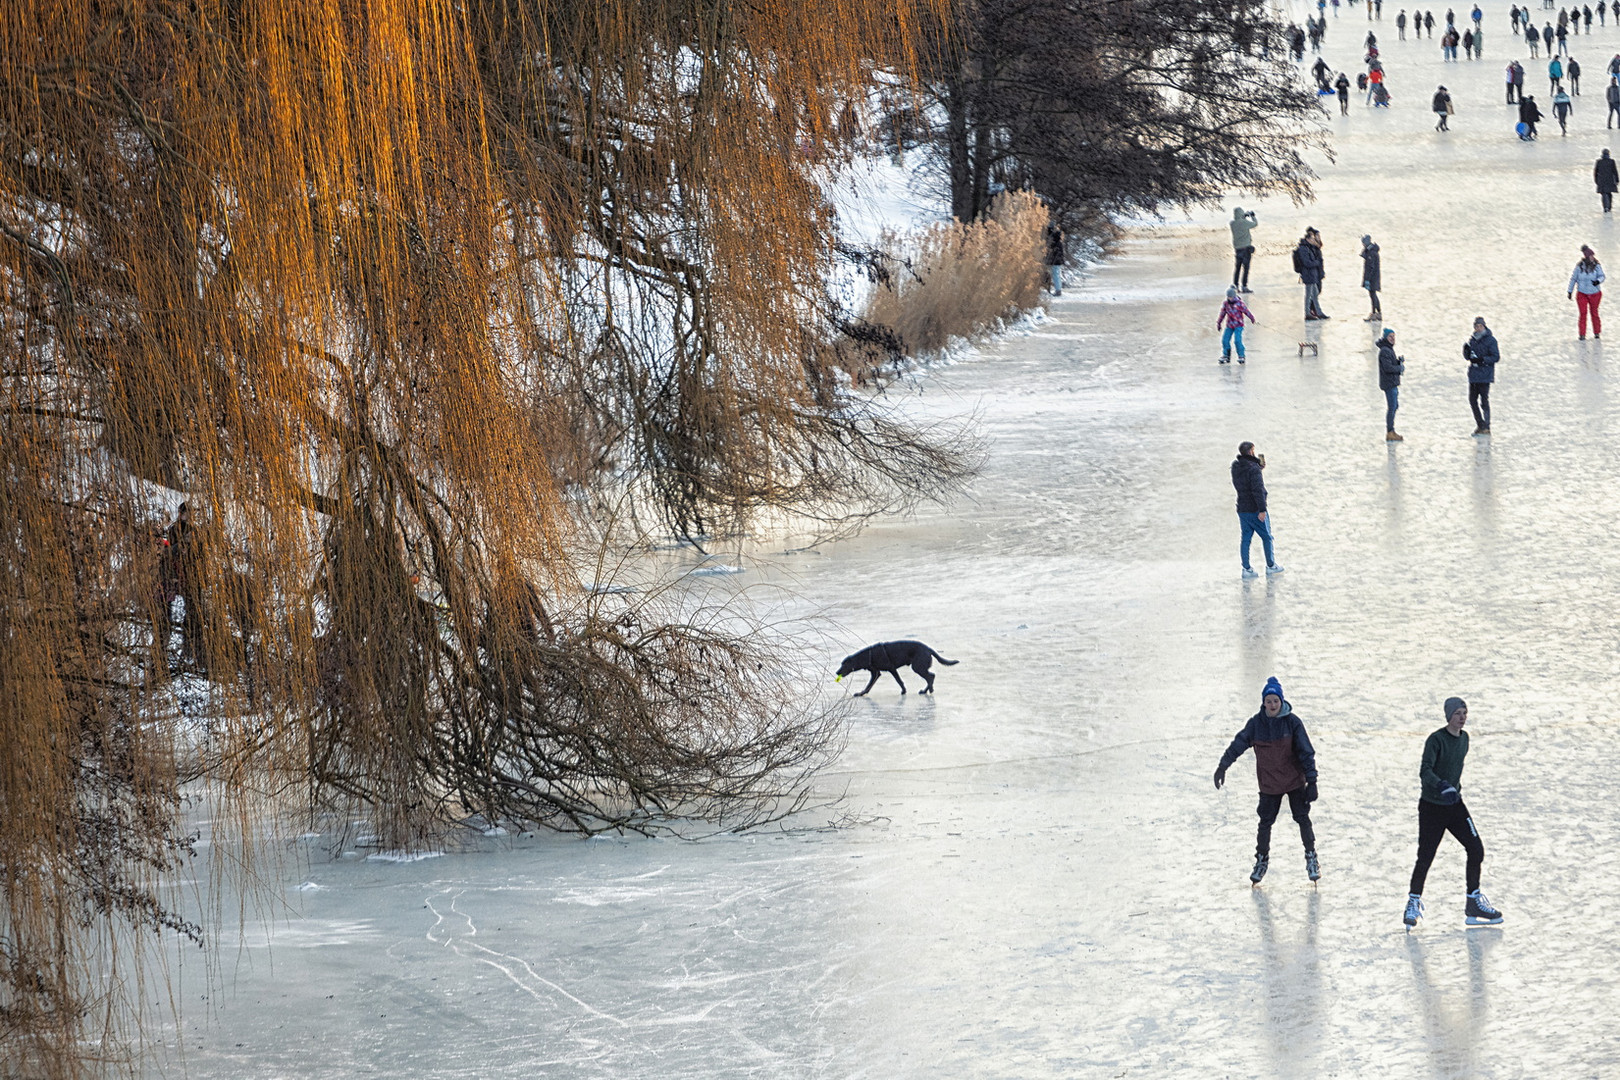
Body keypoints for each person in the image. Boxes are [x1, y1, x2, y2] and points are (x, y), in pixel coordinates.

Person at [1402, 699, 1505, 930]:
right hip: (1432, 807)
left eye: (1465, 713)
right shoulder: (1436, 740)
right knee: (1426, 856)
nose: (1462, 717)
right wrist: (1441, 786)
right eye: (1457, 713)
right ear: (1448, 716)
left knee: (1476, 848)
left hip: (1455, 805)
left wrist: (1453, 791)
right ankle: (1413, 901)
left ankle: (1473, 902)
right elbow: (1425, 770)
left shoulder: (1465, 739)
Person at [1215, 677, 1318, 885]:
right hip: (1269, 785)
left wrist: (1312, 781)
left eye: (1275, 701)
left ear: (1281, 701)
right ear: (1264, 702)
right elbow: (1239, 743)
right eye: (1269, 701)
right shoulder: (1256, 725)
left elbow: (1306, 752)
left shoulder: (1292, 723)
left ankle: (1311, 855)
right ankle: (1261, 860)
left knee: (1302, 818)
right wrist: (1223, 765)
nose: (1272, 705)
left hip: (1294, 782)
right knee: (1265, 823)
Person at [1230, 442, 1283, 578]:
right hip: (1255, 509)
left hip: (1242, 508)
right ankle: (1271, 565)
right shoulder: (1253, 469)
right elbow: (1257, 490)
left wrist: (1257, 468)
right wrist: (1262, 510)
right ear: (1251, 451)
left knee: (1246, 538)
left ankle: (1246, 569)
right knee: (1266, 537)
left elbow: (1245, 478)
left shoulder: (1236, 467)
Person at [1465, 316, 1498, 434]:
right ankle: (1480, 424)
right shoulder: (1472, 340)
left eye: (1480, 326)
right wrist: (1466, 353)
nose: (1478, 328)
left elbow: (1495, 357)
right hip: (1474, 375)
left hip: (1485, 375)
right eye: (1476, 326)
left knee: (1484, 400)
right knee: (1472, 400)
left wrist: (1482, 360)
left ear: (1484, 326)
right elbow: (1470, 357)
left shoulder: (1491, 340)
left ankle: (1486, 426)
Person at [1569, 244, 1605, 338]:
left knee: (1594, 312)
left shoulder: (1597, 266)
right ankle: (1582, 334)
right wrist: (1570, 291)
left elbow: (1602, 276)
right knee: (1583, 313)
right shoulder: (1579, 267)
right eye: (1590, 256)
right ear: (1586, 257)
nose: (1593, 258)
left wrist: (1598, 281)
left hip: (1595, 294)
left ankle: (1597, 332)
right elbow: (1573, 279)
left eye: (1593, 256)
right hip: (1582, 294)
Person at [1293, 228, 1328, 320]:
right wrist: (1317, 262)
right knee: (1309, 295)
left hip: (1312, 274)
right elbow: (1307, 263)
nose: (1314, 240)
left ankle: (1318, 312)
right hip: (1308, 275)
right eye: (1312, 239)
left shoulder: (1309, 247)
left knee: (1315, 294)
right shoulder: (1303, 249)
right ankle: (1308, 313)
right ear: (1308, 239)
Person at [1378, 328, 1405, 440]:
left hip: (1392, 382)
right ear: (1385, 338)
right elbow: (1388, 368)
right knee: (1392, 407)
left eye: (1394, 336)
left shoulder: (1388, 349)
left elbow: (1390, 364)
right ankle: (1390, 432)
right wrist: (1400, 368)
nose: (1393, 338)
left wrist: (1398, 362)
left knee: (1394, 406)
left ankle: (1391, 430)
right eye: (1390, 336)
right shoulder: (1385, 351)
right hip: (1389, 384)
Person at [1217, 286, 1256, 363]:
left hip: (1238, 325)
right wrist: (1219, 322)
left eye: (1231, 297)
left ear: (1234, 296)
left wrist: (1252, 318)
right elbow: (1222, 314)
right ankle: (1226, 355)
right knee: (1225, 340)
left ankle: (1241, 356)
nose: (1229, 298)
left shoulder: (1239, 303)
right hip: (1230, 325)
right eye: (1228, 297)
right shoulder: (1226, 304)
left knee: (1237, 341)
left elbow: (1246, 311)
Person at [1229, 207, 1257, 292]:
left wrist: (1243, 217)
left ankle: (1235, 286)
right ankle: (1244, 286)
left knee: (1237, 268)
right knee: (1246, 269)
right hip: (1246, 249)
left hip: (1237, 249)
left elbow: (1239, 221)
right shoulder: (1245, 223)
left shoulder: (1232, 223)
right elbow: (1255, 224)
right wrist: (1252, 216)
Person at [1360, 234, 1383, 319]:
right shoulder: (1371, 251)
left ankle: (1374, 313)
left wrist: (1368, 279)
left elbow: (1370, 267)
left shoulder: (1371, 253)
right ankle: (1378, 313)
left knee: (1373, 295)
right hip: (1374, 277)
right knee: (1373, 295)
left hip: (1372, 278)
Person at [1044, 220, 1065, 296]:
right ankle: (1058, 289)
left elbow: (1051, 249)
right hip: (1058, 259)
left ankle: (1057, 290)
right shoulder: (1058, 237)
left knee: (1055, 273)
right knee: (1056, 274)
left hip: (1054, 259)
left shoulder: (1052, 238)